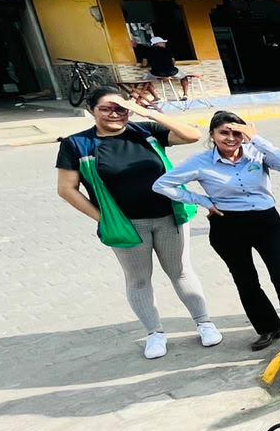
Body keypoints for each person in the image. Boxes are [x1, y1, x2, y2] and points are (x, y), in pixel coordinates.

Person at [56, 87, 221, 359]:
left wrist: (146, 113)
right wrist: (103, 218)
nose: (114, 114)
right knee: (139, 280)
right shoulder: (77, 144)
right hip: (127, 226)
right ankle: (155, 333)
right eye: (106, 109)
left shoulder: (145, 132)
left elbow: (192, 135)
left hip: (170, 217)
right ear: (91, 110)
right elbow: (66, 189)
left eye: (120, 108)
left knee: (181, 271)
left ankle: (204, 323)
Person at [153, 112, 280, 351]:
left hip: (266, 221)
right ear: (212, 135)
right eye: (224, 133)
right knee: (245, 280)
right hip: (227, 224)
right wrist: (202, 200)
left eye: (237, 133)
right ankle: (269, 327)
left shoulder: (256, 152)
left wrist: (256, 139)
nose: (231, 138)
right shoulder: (200, 162)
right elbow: (162, 184)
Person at [137, 36, 191, 102]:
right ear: (157, 43)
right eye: (163, 42)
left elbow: (144, 64)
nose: (164, 44)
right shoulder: (167, 50)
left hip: (157, 73)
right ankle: (185, 94)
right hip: (172, 72)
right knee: (184, 77)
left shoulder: (147, 51)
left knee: (145, 80)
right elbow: (173, 62)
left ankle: (156, 97)